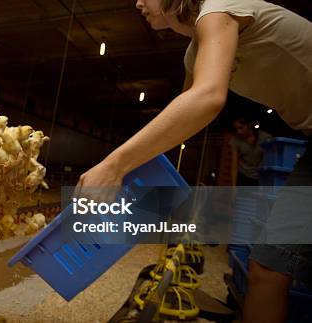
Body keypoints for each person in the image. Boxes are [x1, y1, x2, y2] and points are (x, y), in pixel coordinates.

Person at [75, 1, 311, 322]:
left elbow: (208, 97)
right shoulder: (194, 53)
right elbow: (183, 121)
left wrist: (114, 165)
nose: (138, 3)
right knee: (269, 268)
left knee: (271, 267)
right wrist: (135, 184)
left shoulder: (220, 8)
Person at [230, 118, 271, 186]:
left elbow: (269, 160)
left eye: (241, 128)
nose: (239, 131)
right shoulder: (235, 139)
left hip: (259, 176)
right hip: (243, 175)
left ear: (249, 125)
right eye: (236, 129)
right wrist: (233, 187)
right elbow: (234, 165)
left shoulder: (265, 137)